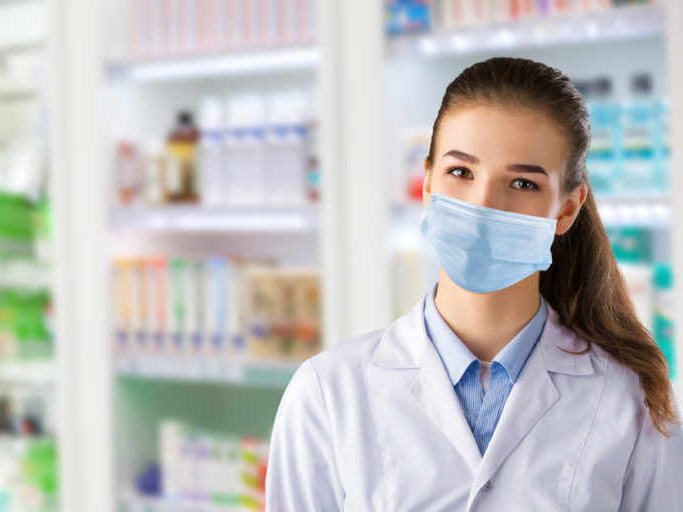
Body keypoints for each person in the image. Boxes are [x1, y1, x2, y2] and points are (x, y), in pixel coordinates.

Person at [264, 57, 683, 511]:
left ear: (566, 209)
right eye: (460, 172)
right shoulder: (328, 393)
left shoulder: (633, 401)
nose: (483, 206)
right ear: (426, 184)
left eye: (522, 183)